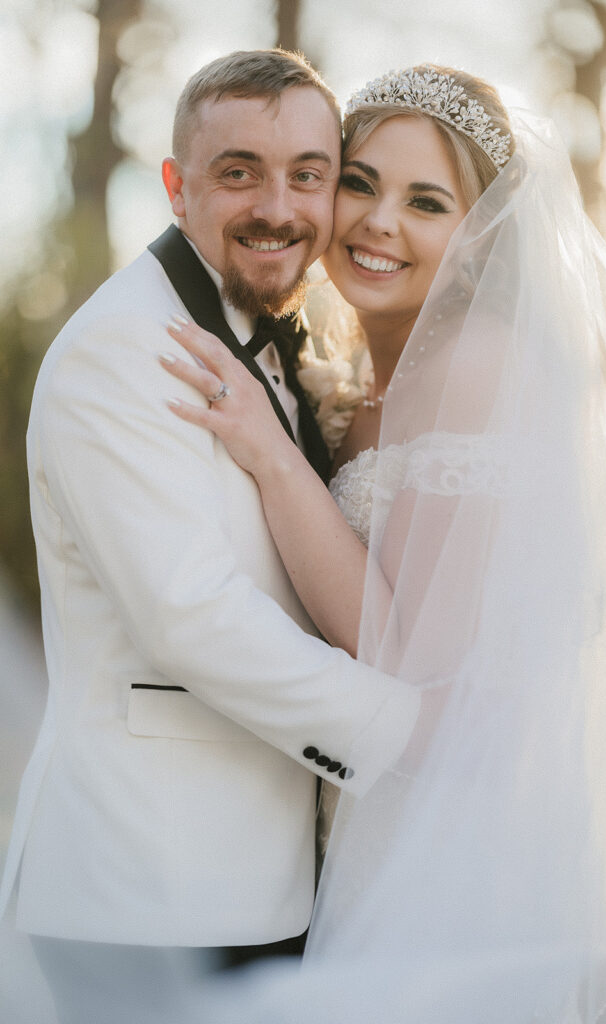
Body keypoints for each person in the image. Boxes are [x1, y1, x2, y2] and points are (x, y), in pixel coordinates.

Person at [160, 65, 606, 1022]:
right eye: (359, 181)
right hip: (375, 805)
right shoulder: (370, 376)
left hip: (457, 840)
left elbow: (406, 652)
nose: (376, 221)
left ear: (478, 240)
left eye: (425, 202)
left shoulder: (478, 369)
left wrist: (273, 459)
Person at [0, 49, 421, 1023]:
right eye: (239, 171)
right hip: (154, 886)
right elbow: (192, 617)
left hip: (241, 875)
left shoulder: (266, 336)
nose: (278, 205)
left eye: (306, 175)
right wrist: (410, 732)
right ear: (176, 186)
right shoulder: (124, 352)